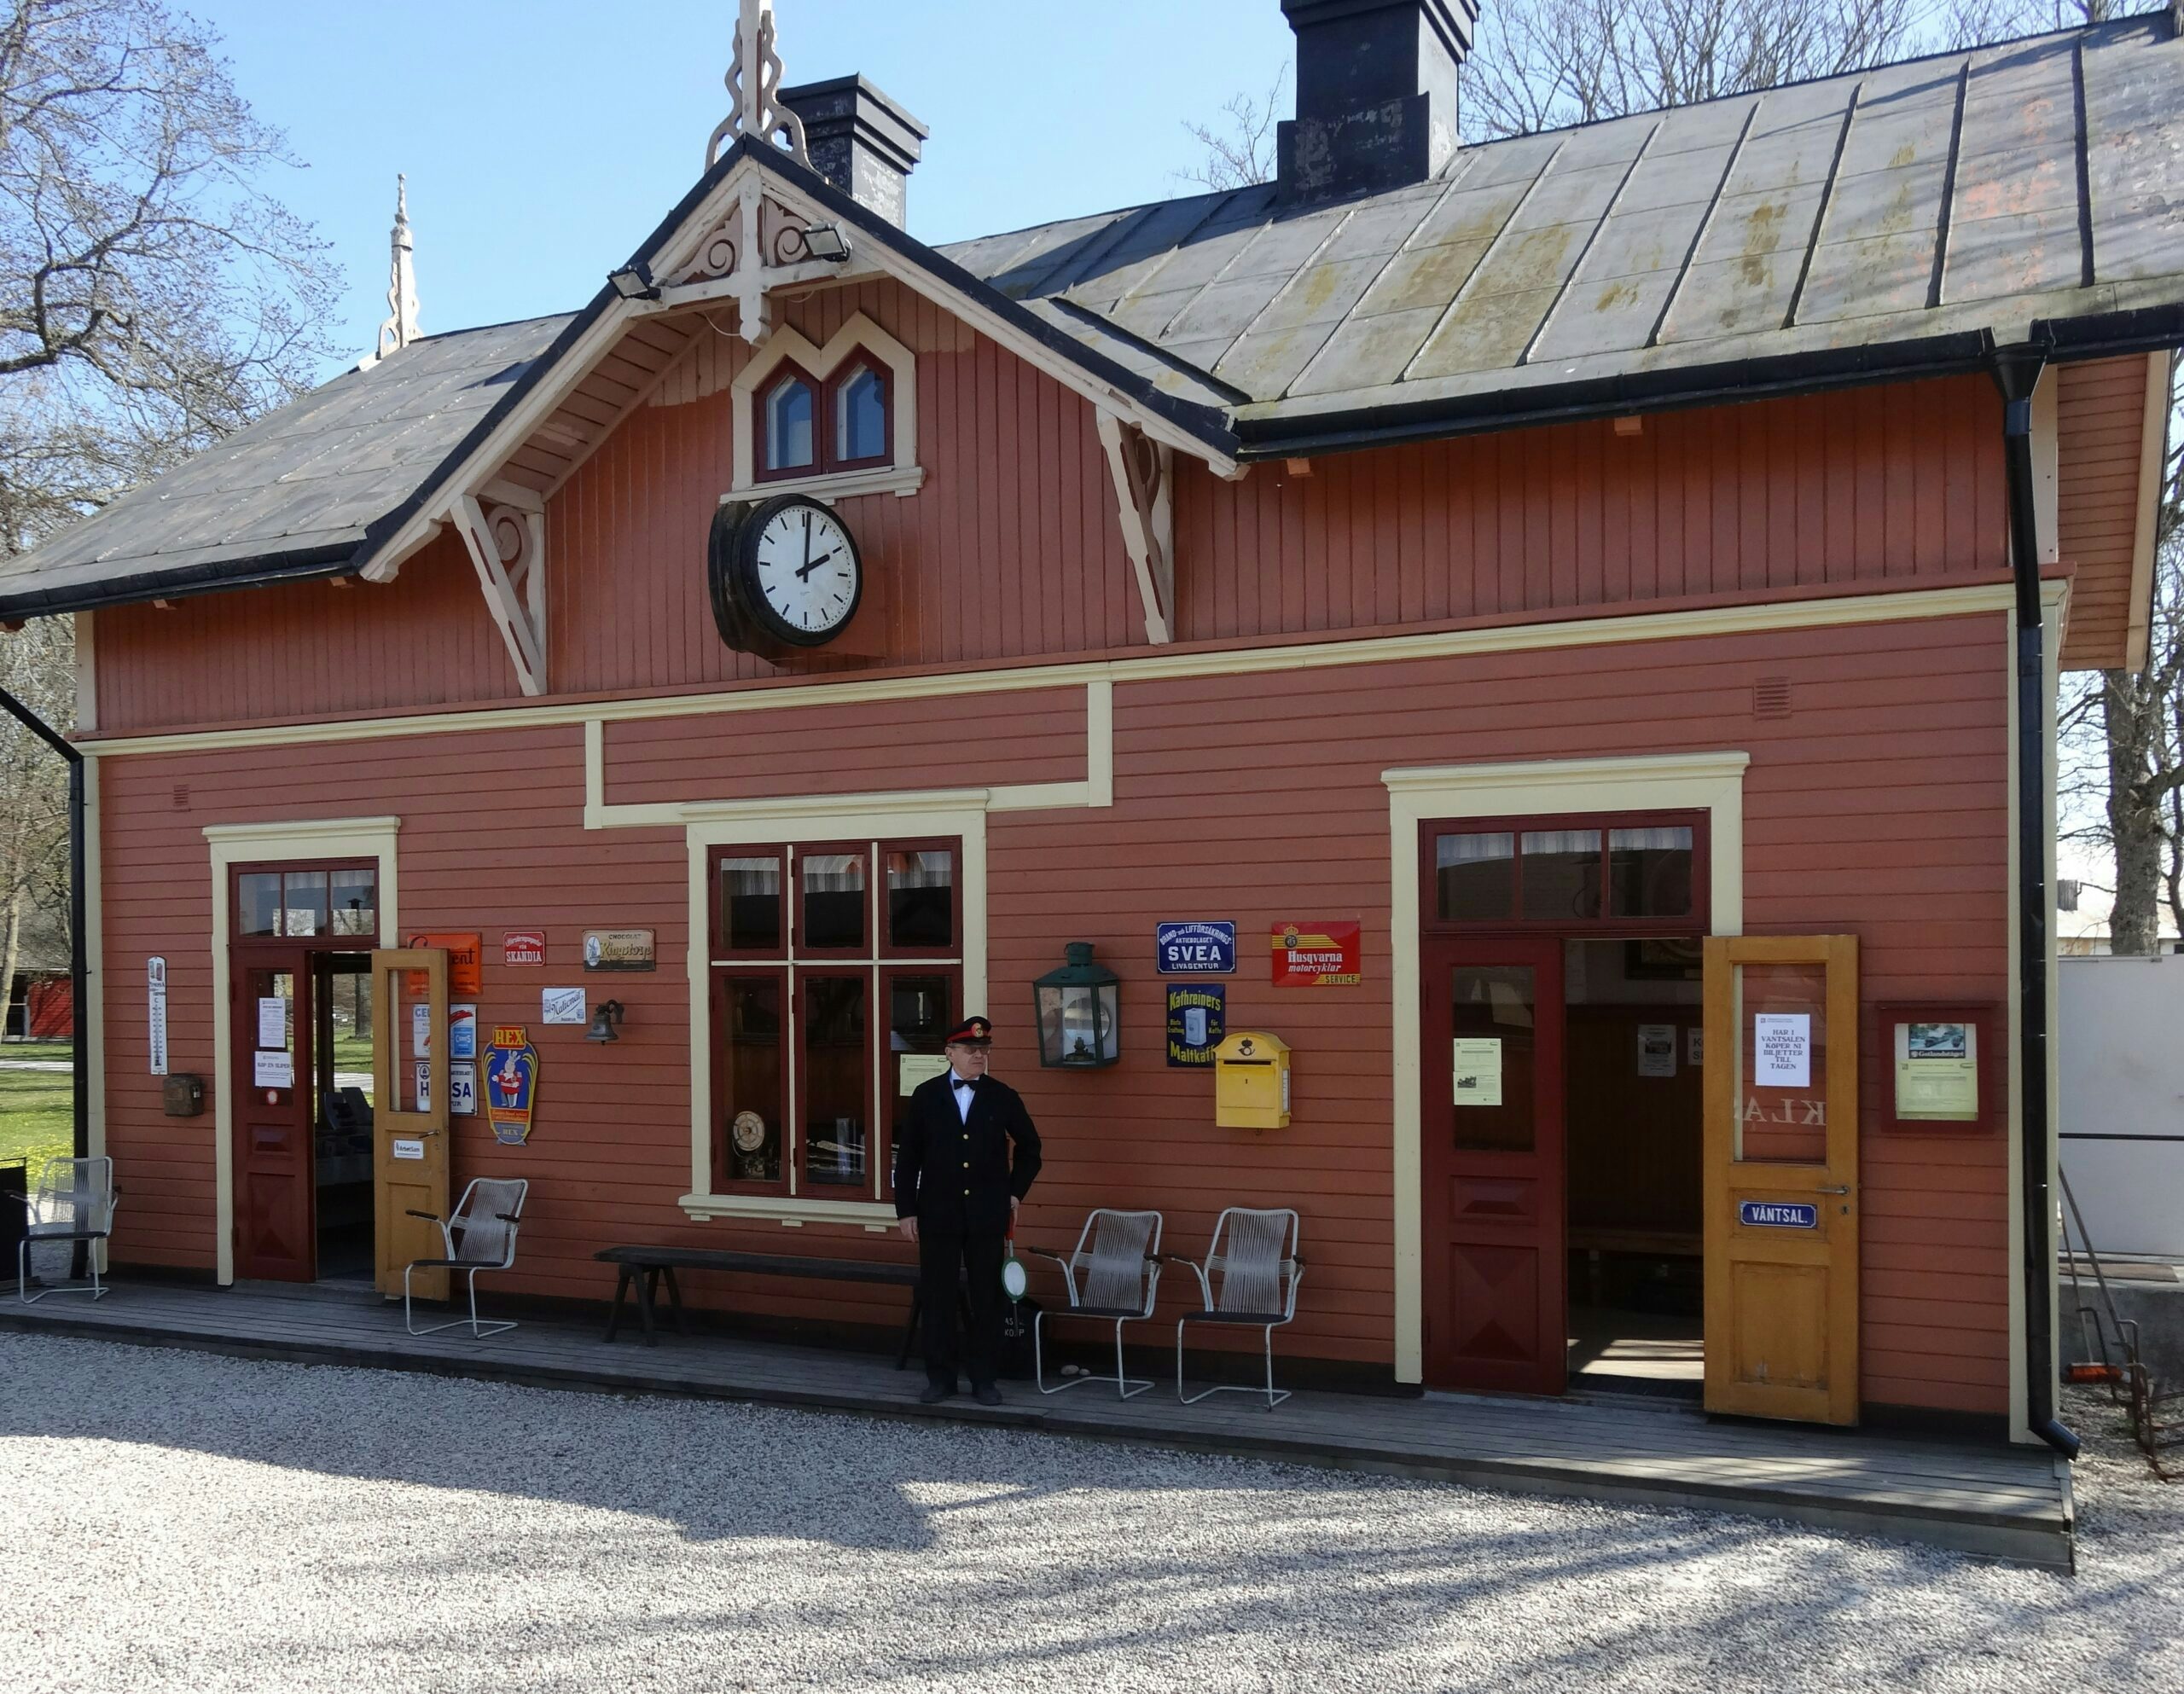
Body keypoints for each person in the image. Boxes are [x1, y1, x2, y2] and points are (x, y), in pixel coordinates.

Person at [895, 1015, 1042, 1405]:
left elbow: (1031, 1149)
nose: (979, 1055)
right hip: (937, 1214)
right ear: (949, 1053)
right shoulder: (926, 1096)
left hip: (986, 1214)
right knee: (938, 1297)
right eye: (971, 1050)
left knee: (987, 1299)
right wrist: (905, 1210)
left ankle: (984, 1379)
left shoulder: (1002, 1095)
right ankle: (940, 1378)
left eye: (984, 1050)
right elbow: (908, 1158)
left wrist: (1015, 1193)